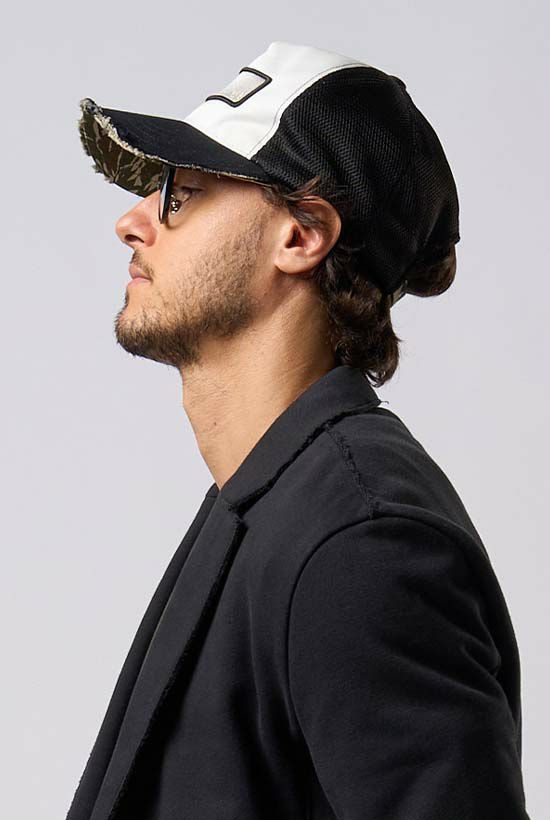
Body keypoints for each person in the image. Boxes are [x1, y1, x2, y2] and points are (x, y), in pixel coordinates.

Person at [66, 41, 530, 820]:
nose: (132, 221)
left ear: (301, 236)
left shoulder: (362, 543)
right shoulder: (270, 499)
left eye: (181, 193)